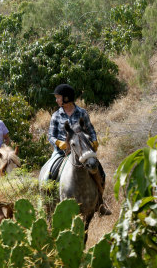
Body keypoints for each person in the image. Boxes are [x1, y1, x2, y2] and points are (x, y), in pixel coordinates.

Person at [48, 84, 112, 215]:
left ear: (66, 98)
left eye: (58, 97)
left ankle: (100, 203)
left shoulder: (82, 113)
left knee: (99, 171)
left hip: (82, 150)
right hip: (62, 152)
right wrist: (58, 143)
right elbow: (50, 136)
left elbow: (91, 130)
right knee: (48, 175)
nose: (56, 100)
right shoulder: (56, 115)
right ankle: (49, 206)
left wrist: (94, 141)